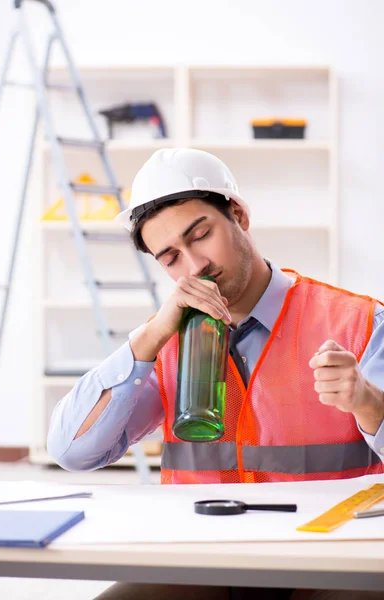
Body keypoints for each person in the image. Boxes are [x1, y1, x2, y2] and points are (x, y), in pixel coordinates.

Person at [47, 148, 384, 600]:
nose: (194, 266)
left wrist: (368, 402)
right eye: (170, 258)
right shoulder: (164, 342)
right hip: (203, 560)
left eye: (200, 235)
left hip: (328, 560)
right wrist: (150, 336)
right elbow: (74, 451)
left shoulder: (358, 321)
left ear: (239, 215)